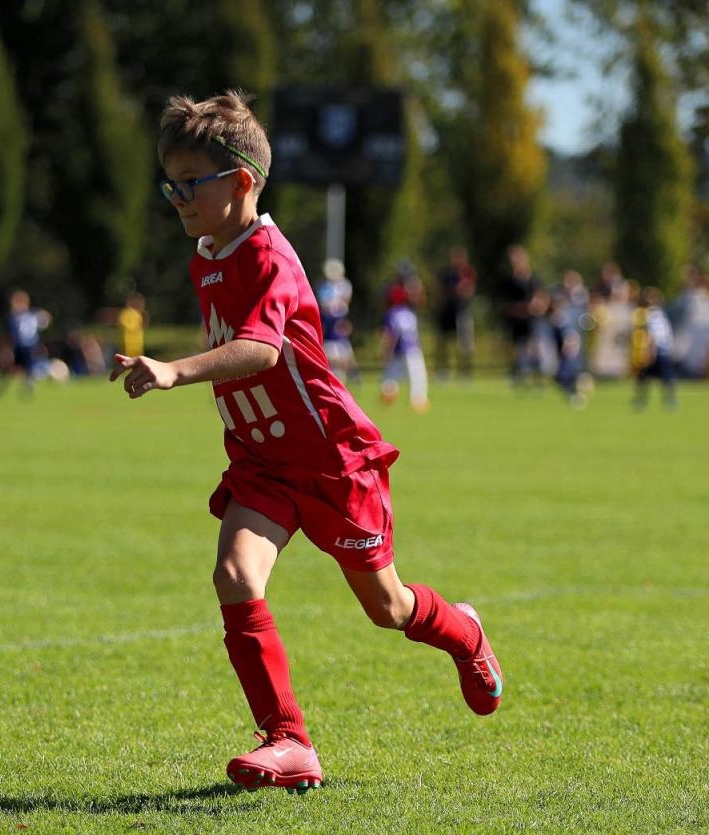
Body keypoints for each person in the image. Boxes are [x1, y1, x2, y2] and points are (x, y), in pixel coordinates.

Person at [111, 91, 503, 792]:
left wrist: (173, 369)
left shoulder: (270, 257)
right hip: (262, 463)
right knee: (234, 575)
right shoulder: (207, 255)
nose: (176, 197)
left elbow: (260, 351)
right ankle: (289, 739)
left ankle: (464, 633)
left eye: (189, 183)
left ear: (241, 183)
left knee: (387, 608)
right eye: (169, 183)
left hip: (329, 461)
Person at [378, 281, 429, 412]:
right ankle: (418, 401)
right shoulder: (410, 312)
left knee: (391, 375)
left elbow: (391, 334)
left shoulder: (391, 313)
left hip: (399, 349)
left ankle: (387, 393)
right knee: (418, 376)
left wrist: (386, 350)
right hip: (413, 348)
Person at [502, 244, 543, 386]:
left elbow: (539, 298)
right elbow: (506, 303)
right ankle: (518, 375)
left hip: (531, 319)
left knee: (533, 348)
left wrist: (533, 307)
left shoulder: (532, 279)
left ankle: (537, 377)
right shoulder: (509, 282)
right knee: (516, 349)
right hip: (515, 320)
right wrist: (517, 309)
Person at [434, 246, 477, 380]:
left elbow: (469, 290)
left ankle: (465, 371)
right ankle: (443, 370)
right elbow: (440, 291)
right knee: (444, 342)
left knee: (465, 344)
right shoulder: (447, 274)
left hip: (462, 311)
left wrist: (462, 289)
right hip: (447, 311)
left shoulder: (468, 273)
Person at [632, 286, 677, 410]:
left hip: (658, 351)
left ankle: (665, 401)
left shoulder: (652, 315)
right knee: (649, 378)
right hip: (660, 351)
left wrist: (651, 351)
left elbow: (654, 335)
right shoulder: (659, 315)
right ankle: (666, 401)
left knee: (653, 377)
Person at [315, 258, 356, 382]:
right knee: (330, 351)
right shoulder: (322, 285)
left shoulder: (344, 285)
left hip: (338, 320)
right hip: (328, 321)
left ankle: (350, 375)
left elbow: (345, 302)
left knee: (343, 351)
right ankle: (336, 375)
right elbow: (323, 304)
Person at [117, 291, 147, 361]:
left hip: (137, 340)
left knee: (137, 357)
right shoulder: (126, 313)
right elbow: (123, 324)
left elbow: (142, 326)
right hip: (128, 340)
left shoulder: (138, 314)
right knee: (128, 358)